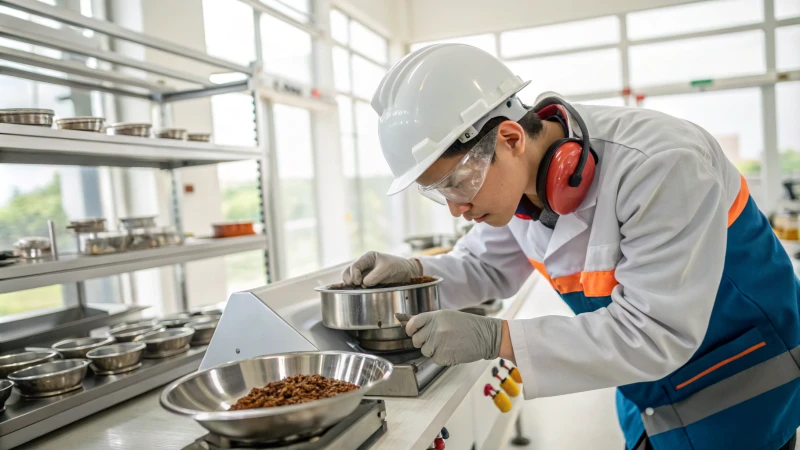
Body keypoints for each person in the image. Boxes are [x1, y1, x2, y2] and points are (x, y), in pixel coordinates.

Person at [341, 43, 800, 450]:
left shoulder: (661, 164)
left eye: (457, 182)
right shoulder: (518, 188)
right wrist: (412, 271)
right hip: (648, 395)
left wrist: (494, 337)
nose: (456, 209)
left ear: (510, 137)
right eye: (438, 192)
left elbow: (654, 332)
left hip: (742, 387)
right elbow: (485, 267)